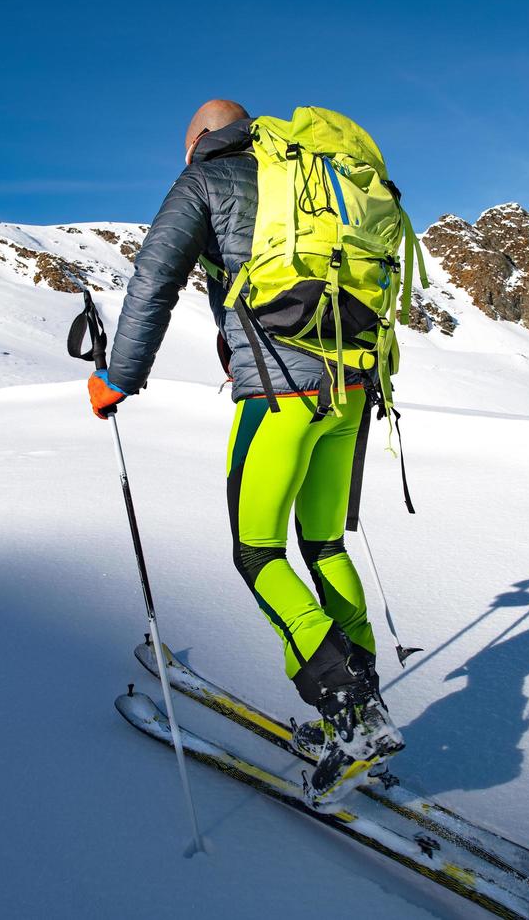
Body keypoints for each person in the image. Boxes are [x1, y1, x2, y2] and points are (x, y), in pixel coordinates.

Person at [85, 100, 404, 804]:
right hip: (353, 388)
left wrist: (118, 378)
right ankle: (364, 704)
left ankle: (348, 707)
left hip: (282, 394)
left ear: (200, 138)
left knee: (258, 553)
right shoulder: (311, 172)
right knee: (323, 547)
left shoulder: (206, 178)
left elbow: (153, 280)